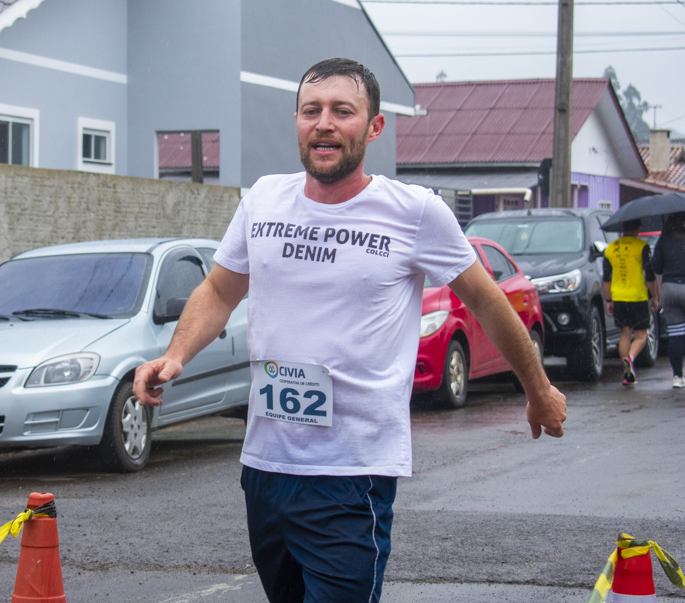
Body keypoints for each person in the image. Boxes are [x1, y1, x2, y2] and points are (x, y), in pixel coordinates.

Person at [133, 58, 567, 602]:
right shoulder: (263, 198)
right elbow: (220, 290)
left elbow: (484, 298)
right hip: (265, 467)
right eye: (312, 111)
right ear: (296, 121)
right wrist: (175, 355)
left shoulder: (413, 212)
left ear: (374, 126)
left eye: (343, 111)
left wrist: (537, 388)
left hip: (350, 472)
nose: (325, 124)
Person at [602, 218, 658, 386]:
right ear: (638, 229)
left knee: (624, 333)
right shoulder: (642, 247)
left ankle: (626, 374)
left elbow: (606, 277)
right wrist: (654, 297)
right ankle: (630, 358)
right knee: (641, 335)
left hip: (618, 296)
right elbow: (649, 275)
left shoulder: (611, 249)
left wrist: (608, 299)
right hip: (638, 296)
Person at [651, 212, 685, 389]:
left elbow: (655, 266)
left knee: (676, 334)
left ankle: (677, 376)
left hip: (670, 289)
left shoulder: (664, 240)